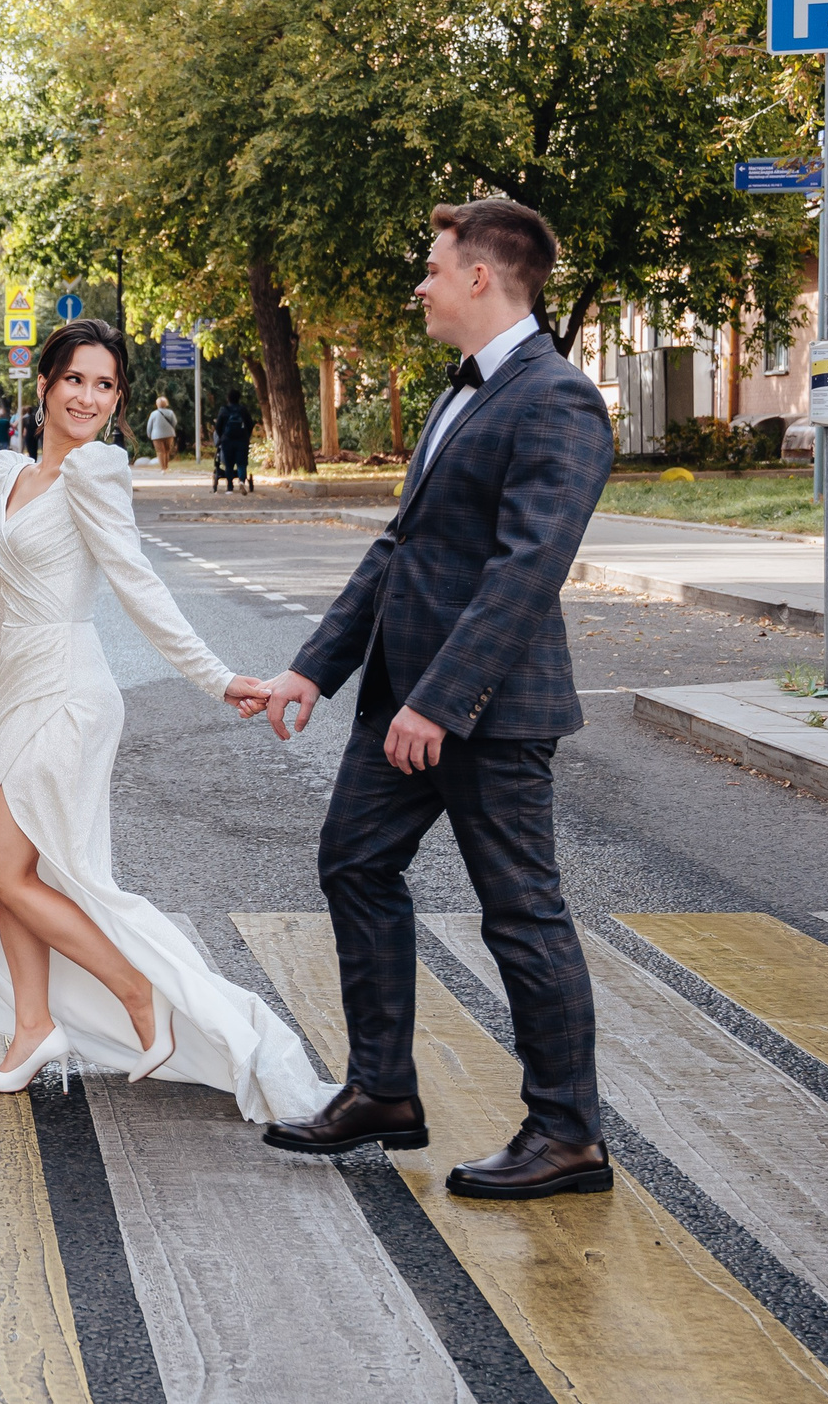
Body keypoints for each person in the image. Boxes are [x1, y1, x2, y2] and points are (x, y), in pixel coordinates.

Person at [257, 198, 615, 1200]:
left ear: (478, 277)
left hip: (486, 709)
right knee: (353, 862)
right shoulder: (461, 391)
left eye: (431, 265)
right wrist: (311, 668)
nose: (418, 282)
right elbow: (400, 551)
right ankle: (381, 1089)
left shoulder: (557, 398)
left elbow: (524, 569)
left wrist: (441, 700)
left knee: (521, 913)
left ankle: (567, 1132)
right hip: (403, 699)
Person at [0, 317, 330, 1126]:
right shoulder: (7, 473)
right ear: (43, 383)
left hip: (74, 693)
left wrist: (219, 678)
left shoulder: (96, 474)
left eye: (105, 384)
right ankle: (34, 1030)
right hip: (20, 693)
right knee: (20, 873)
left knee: (2, 871)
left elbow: (139, 586)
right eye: (75, 378)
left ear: (117, 401)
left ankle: (135, 992)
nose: (88, 396)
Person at [213, 391, 255, 494]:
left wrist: (222, 436)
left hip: (227, 440)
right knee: (241, 463)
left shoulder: (224, 410)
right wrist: (246, 436)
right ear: (239, 398)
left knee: (229, 464)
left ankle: (230, 487)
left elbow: (218, 426)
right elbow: (250, 424)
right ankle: (241, 481)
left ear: (228, 399)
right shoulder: (243, 410)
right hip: (242, 440)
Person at [146, 396, 179, 470]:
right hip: (169, 434)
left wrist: (149, 434)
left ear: (157, 404)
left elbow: (149, 426)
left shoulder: (153, 414)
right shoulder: (170, 412)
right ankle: (166, 466)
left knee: (160, 451)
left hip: (156, 435)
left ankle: (162, 468)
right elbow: (174, 423)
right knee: (167, 451)